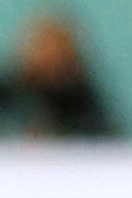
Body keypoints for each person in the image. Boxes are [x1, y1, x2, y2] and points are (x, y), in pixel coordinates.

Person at [0, 8, 118, 136]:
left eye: (55, 48)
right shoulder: (10, 91)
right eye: (43, 47)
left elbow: (99, 136)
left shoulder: (81, 98)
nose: (48, 56)